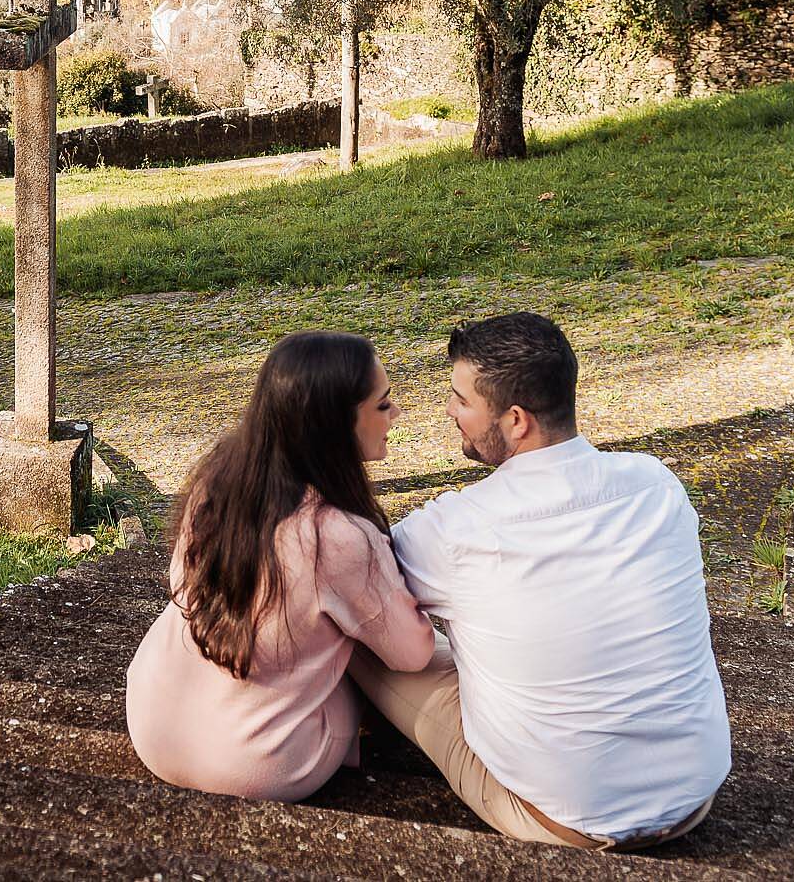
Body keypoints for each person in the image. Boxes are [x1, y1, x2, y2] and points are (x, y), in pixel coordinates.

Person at [353, 312, 730, 850]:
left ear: (515, 420)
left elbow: (360, 581)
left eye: (461, 400)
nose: (450, 411)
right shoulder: (656, 485)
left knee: (355, 619)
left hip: (564, 817)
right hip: (692, 794)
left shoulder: (459, 528)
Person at [126, 330, 437, 801]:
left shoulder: (217, 478)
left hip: (152, 720)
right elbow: (411, 653)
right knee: (355, 653)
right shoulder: (337, 536)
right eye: (382, 405)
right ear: (337, 424)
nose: (395, 415)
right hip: (255, 763)